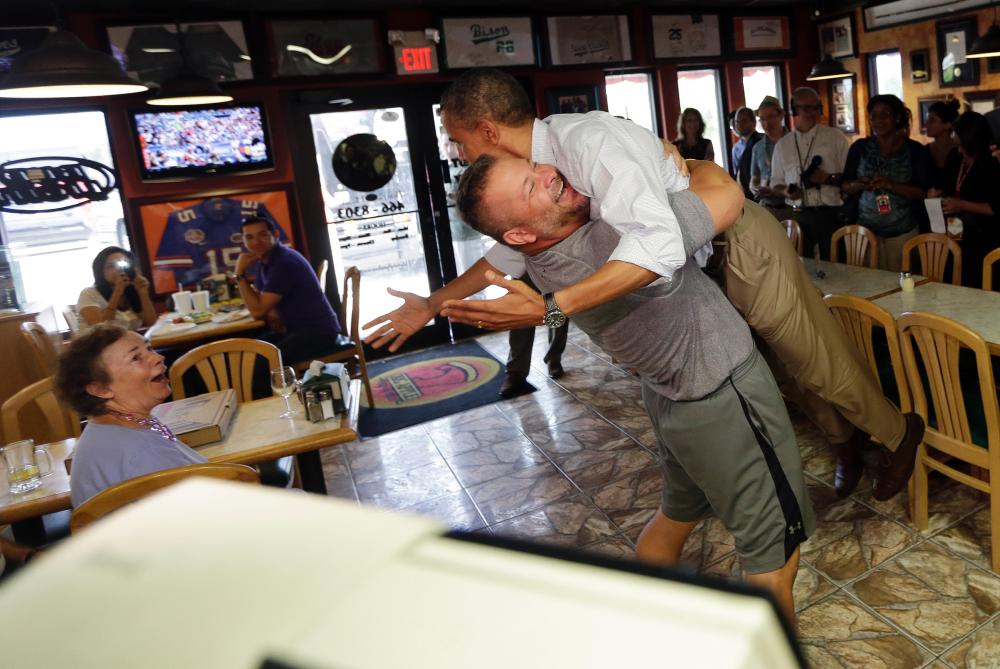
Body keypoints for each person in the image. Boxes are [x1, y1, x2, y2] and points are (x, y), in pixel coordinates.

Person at [368, 68, 923, 503]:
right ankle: (844, 441)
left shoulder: (587, 143)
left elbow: (655, 245)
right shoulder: (535, 178)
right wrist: (435, 302)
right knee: (779, 364)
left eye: (459, 141)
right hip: (699, 266)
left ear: (487, 130)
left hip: (736, 240)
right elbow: (506, 254)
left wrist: (553, 310)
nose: (460, 155)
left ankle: (897, 436)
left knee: (809, 353)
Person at [456, 154, 812, 622]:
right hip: (723, 401)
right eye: (530, 188)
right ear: (519, 234)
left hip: (673, 405)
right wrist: (682, 160)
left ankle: (656, 622)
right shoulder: (612, 241)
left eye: (535, 167)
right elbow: (724, 192)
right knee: (773, 559)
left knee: (675, 517)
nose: (550, 174)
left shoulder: (544, 258)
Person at [54, 324, 206, 507]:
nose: (158, 357)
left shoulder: (118, 426)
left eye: (149, 348)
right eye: (136, 358)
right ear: (101, 389)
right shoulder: (141, 454)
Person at [235, 216, 342, 365]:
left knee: (259, 362)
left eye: (263, 234)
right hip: (294, 328)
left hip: (317, 332)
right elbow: (260, 301)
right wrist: (270, 311)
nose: (256, 242)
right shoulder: (265, 260)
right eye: (249, 237)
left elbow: (257, 311)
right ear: (244, 241)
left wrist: (240, 274)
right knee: (247, 352)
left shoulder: (284, 262)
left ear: (276, 235)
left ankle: (279, 388)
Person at [841, 95, 931, 271]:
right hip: (864, 230)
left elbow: (923, 192)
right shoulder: (860, 148)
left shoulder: (915, 150)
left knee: (902, 286)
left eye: (885, 115)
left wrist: (891, 185)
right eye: (873, 116)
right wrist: (859, 184)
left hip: (903, 231)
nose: (878, 120)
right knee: (866, 284)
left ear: (897, 117)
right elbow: (844, 186)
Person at [769, 87, 850, 260]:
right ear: (794, 109)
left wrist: (829, 179)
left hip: (831, 213)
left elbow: (850, 177)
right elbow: (775, 182)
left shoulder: (836, 137)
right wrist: (786, 191)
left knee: (838, 269)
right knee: (803, 271)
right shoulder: (783, 145)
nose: (813, 112)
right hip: (799, 215)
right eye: (807, 108)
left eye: (816, 107)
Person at [929, 111, 1000, 287]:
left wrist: (962, 204)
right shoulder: (955, 157)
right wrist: (936, 194)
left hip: (984, 236)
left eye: (962, 144)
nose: (957, 146)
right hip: (955, 230)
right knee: (953, 279)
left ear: (973, 141)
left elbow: (995, 207)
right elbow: (944, 186)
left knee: (978, 282)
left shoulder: (991, 162)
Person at [77, 246, 157, 333]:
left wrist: (143, 293)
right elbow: (99, 327)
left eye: (124, 264)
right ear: (100, 271)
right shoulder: (89, 293)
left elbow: (151, 322)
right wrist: (117, 292)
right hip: (99, 345)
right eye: (110, 266)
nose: (118, 270)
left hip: (129, 343)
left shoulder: (131, 290)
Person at [749, 96, 793, 220]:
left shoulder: (794, 142)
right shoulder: (757, 147)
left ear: (781, 115)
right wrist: (755, 188)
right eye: (762, 119)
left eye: (771, 117)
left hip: (790, 206)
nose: (766, 123)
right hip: (766, 207)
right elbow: (754, 179)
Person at [925, 98, 960, 186]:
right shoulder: (924, 151)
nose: (926, 124)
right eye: (927, 120)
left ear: (947, 124)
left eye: (932, 120)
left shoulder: (960, 151)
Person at [730, 106, 762, 198]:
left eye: (744, 121)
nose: (739, 125)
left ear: (753, 122)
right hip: (745, 195)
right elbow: (738, 174)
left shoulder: (761, 141)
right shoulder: (736, 148)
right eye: (737, 122)